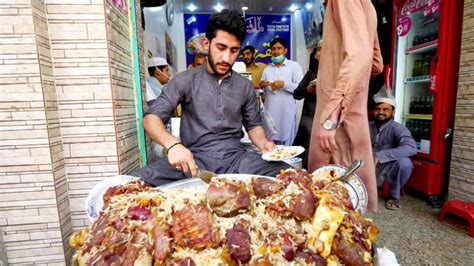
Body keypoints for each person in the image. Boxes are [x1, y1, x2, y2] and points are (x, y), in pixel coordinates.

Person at [132, 9, 290, 186]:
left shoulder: (244, 86)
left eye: (233, 51)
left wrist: (264, 145)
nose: (226, 58)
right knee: (133, 183)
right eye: (221, 48)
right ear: (207, 44)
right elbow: (150, 119)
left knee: (290, 175)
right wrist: (173, 145)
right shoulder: (185, 80)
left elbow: (253, 125)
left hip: (237, 160)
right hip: (193, 161)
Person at [308, 0, 384, 211]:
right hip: (349, 117)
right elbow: (375, 63)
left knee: (332, 204)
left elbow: (360, 56)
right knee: (347, 206)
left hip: (338, 124)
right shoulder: (366, 3)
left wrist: (332, 116)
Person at [369, 97, 417, 210]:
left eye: (385, 109)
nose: (381, 112)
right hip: (367, 165)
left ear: (393, 112)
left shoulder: (398, 128)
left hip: (388, 167)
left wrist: (379, 156)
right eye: (377, 109)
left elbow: (411, 148)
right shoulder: (367, 126)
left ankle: (394, 196)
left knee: (405, 163)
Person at [260, 37, 303, 145]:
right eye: (273, 49)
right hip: (270, 112)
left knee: (288, 143)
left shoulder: (294, 67)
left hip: (286, 112)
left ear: (285, 50)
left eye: (279, 48)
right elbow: (262, 88)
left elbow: (300, 87)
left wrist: (283, 84)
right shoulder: (267, 69)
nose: (276, 51)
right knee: (270, 142)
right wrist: (262, 85)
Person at [292, 40, 323, 169]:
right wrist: (308, 90)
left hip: (327, 123)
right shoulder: (311, 73)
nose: (322, 52)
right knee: (304, 157)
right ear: (315, 55)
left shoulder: (339, 74)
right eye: (319, 49)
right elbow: (296, 94)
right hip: (308, 120)